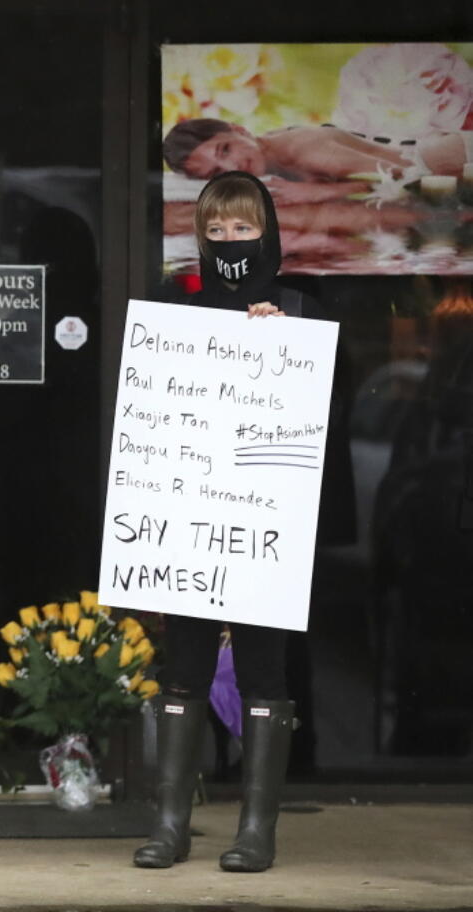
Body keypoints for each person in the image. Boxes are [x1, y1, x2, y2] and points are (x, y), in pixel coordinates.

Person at [134, 171, 307, 874]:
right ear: (200, 237)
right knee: (184, 667)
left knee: (265, 669)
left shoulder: (301, 306)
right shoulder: (174, 301)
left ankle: (256, 831)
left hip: (265, 527)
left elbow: (322, 418)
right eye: (217, 230)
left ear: (267, 230)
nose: (230, 241)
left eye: (243, 227)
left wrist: (285, 343)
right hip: (190, 519)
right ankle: (170, 825)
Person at [164, 117, 473, 194]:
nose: (233, 166)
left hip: (453, 158)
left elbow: (405, 177)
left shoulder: (307, 151)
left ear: (239, 129)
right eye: (217, 174)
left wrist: (310, 192)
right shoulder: (269, 148)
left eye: (225, 149)